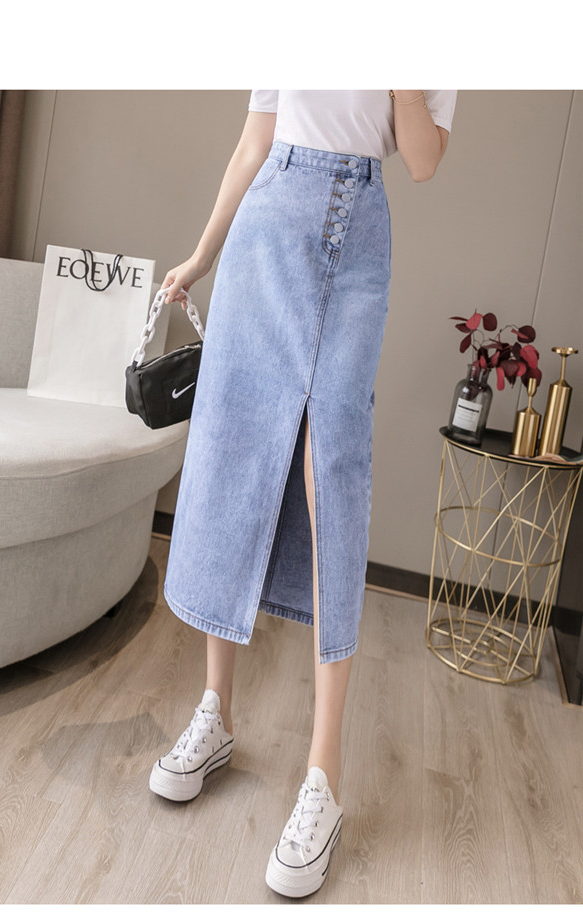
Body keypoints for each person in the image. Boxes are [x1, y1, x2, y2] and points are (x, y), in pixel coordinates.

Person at [149, 89, 457, 898]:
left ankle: (323, 776)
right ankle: (215, 712)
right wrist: (202, 255)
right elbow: (255, 141)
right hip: (267, 226)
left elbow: (424, 160)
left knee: (334, 480)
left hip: (358, 241)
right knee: (234, 452)